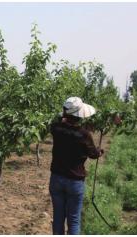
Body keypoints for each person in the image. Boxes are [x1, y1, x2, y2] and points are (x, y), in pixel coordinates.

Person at [49, 97, 104, 235]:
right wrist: (100, 151)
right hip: (74, 182)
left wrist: (64, 115)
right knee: (73, 220)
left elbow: (57, 120)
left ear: (65, 112)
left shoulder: (56, 128)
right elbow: (93, 154)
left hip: (56, 179)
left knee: (58, 218)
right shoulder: (83, 134)